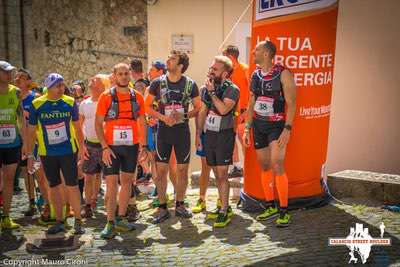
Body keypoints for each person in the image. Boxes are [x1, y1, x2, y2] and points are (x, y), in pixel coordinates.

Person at [243, 41, 296, 227]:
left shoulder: (284, 73)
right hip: (258, 125)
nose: (253, 51)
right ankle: (270, 205)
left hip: (276, 127)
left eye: (256, 49)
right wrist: (248, 128)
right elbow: (251, 103)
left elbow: (292, 103)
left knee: (277, 163)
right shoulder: (255, 75)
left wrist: (287, 129)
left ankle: (284, 210)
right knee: (265, 166)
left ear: (266, 54)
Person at [145, 51, 201, 223]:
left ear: (180, 66)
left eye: (172, 59)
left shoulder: (190, 84)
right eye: (168, 57)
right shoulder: (157, 83)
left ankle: (180, 204)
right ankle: (162, 207)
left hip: (182, 132)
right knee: (162, 171)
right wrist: (163, 118)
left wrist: (183, 115)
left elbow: (197, 108)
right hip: (163, 131)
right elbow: (147, 106)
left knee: (182, 170)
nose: (168, 60)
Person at [26, 73, 85, 234]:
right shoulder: (37, 104)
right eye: (58, 86)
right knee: (54, 187)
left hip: (68, 151)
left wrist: (82, 149)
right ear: (49, 87)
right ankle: (59, 220)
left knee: (72, 186)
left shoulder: (70, 102)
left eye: (62, 85)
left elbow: (78, 128)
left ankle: (78, 220)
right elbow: (31, 132)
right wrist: (30, 155)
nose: (62, 88)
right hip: (48, 153)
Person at [95, 63, 148, 239]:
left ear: (130, 75)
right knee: (111, 184)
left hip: (131, 147)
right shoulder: (106, 97)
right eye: (120, 74)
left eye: (126, 73)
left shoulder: (138, 97)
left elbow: (142, 122)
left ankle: (121, 218)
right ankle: (109, 222)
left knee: (127, 182)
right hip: (111, 147)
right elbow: (98, 124)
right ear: (115, 76)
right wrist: (104, 147)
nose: (124, 77)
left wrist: (144, 146)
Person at [196, 56, 240, 227]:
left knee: (222, 174)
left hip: (224, 134)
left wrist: (213, 92)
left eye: (215, 69)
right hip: (210, 134)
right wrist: (199, 134)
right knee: (216, 172)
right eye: (211, 68)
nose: (211, 71)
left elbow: (223, 109)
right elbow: (203, 111)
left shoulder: (232, 89)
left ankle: (224, 210)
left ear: (225, 73)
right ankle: (223, 205)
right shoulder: (206, 88)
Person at [14, 68, 50, 217]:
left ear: (28, 81)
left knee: (40, 174)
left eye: (21, 78)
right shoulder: (13, 97)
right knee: (26, 172)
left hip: (35, 142)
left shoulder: (35, 98)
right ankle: (31, 202)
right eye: (16, 77)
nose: (17, 79)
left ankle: (47, 201)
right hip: (17, 140)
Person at [0, 60, 26, 229]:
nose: (10, 74)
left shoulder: (16, 92)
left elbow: (21, 118)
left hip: (12, 143)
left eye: (10, 71)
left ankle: (6, 217)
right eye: (6, 72)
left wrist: (25, 143)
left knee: (9, 179)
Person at [79, 74, 108, 218]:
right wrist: (81, 144)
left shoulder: (107, 101)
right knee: (89, 176)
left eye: (94, 80)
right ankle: (88, 205)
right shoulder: (84, 104)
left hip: (105, 145)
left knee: (102, 177)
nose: (90, 81)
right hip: (89, 144)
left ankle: (96, 200)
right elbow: (79, 125)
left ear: (103, 85)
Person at [222, 45, 250, 179]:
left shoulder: (245, 69)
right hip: (229, 112)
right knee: (230, 140)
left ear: (231, 57)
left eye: (224, 56)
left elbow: (253, 92)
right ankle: (236, 166)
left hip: (244, 112)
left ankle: (249, 168)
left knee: (243, 139)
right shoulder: (226, 72)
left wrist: (248, 111)